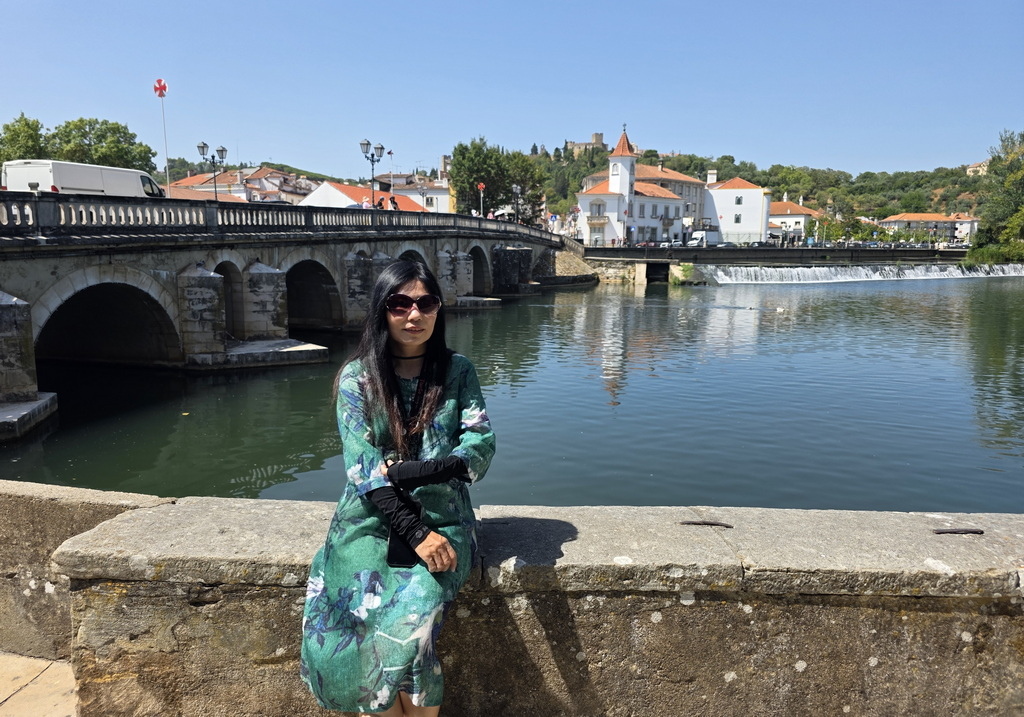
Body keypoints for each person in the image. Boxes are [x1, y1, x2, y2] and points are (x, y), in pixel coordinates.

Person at [301, 260, 495, 715]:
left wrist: (409, 472)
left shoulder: (457, 370)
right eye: (400, 303)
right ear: (382, 311)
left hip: (444, 516)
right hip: (368, 519)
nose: (414, 314)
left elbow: (480, 444)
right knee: (355, 620)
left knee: (417, 613)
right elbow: (363, 467)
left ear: (438, 310)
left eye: (426, 303)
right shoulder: (358, 377)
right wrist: (415, 531)